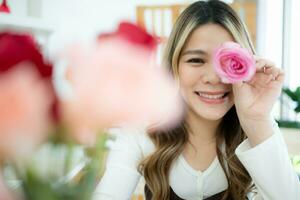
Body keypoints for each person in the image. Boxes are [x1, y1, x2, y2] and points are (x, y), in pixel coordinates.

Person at [93, 0, 300, 199]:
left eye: (226, 61)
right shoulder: (141, 131)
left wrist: (256, 120)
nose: (212, 78)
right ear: (174, 67)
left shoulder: (259, 131)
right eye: (196, 60)